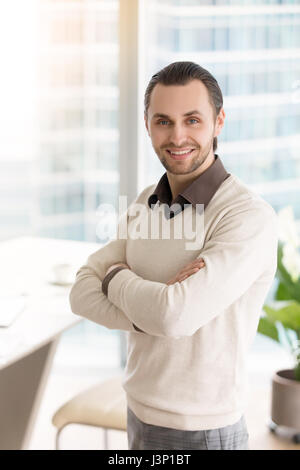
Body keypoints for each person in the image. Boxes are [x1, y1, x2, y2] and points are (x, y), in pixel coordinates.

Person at [69, 61, 278, 450]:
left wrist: (115, 277)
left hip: (203, 428)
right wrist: (155, 312)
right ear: (147, 125)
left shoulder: (246, 216)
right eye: (163, 121)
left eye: (193, 119)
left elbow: (173, 314)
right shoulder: (145, 201)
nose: (177, 135)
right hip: (139, 412)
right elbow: (80, 293)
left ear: (218, 123)